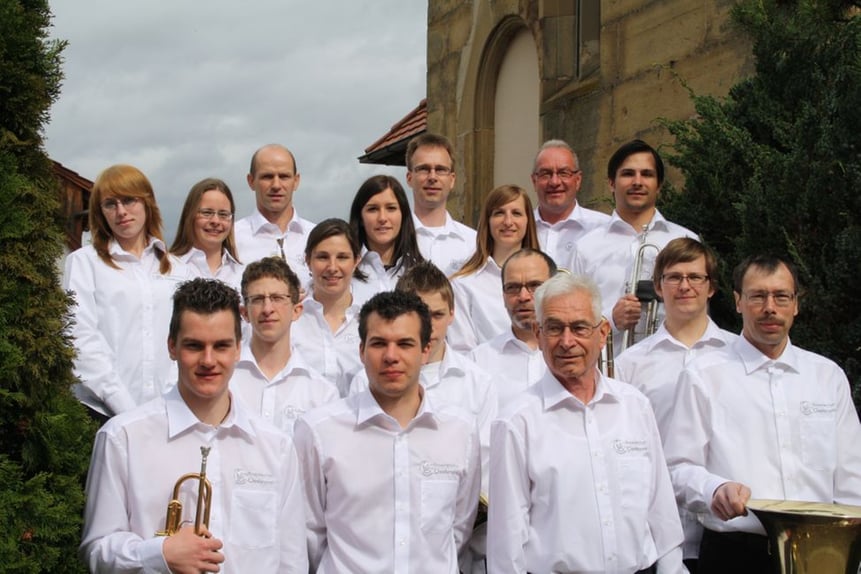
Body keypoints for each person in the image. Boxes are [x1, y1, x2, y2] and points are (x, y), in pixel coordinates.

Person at [80, 278, 308, 573]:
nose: (209, 360)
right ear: (172, 347)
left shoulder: (276, 447)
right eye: (194, 346)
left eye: (222, 346)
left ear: (239, 349)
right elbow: (96, 550)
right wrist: (158, 554)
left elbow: (291, 562)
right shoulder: (122, 437)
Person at [663, 255, 861, 574]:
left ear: (795, 304)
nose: (770, 307)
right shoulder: (704, 375)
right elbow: (676, 468)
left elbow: (853, 475)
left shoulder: (827, 377)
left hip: (822, 552)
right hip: (736, 556)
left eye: (781, 296)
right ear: (739, 302)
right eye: (758, 296)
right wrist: (714, 488)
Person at [487, 272, 685, 573]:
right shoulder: (516, 422)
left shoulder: (634, 406)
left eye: (579, 328)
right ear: (538, 334)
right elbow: (506, 542)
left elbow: (661, 512)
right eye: (554, 328)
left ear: (603, 332)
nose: (567, 342)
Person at [293, 290, 481, 573]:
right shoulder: (319, 431)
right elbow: (309, 532)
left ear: (425, 350)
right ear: (361, 350)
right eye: (379, 343)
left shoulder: (460, 431)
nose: (391, 356)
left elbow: (458, 528)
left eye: (405, 344)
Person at [614, 237, 736, 572]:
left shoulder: (738, 356)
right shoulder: (631, 364)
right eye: (674, 277)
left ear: (711, 288)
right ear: (657, 286)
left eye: (695, 277)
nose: (685, 286)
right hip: (653, 533)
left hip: (723, 530)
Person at [63, 164, 190, 420]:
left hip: (170, 412)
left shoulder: (180, 269)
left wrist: (170, 401)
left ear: (147, 203)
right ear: (101, 213)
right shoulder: (84, 263)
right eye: (110, 204)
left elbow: (187, 337)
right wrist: (125, 409)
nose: (121, 211)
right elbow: (80, 339)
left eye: (129, 200)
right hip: (100, 412)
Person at [571, 139, 698, 356]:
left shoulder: (685, 239)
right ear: (611, 183)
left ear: (659, 185)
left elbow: (700, 313)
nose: (637, 182)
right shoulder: (585, 248)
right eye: (628, 174)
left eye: (647, 174)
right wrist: (611, 319)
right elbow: (570, 316)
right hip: (609, 371)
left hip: (673, 368)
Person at [230, 257, 338, 435]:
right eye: (257, 299)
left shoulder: (322, 393)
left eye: (277, 298)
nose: (267, 309)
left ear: (296, 311)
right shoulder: (224, 379)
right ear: (244, 313)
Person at [448, 184, 541, 352]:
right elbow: (463, 352)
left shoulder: (551, 279)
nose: (508, 221)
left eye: (516, 213)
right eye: (499, 213)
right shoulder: (463, 285)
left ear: (528, 220)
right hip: (489, 376)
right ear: (487, 221)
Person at [469, 248, 555, 407]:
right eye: (513, 288)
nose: (523, 296)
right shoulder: (478, 362)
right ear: (503, 296)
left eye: (534, 286)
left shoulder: (578, 355)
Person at [291, 218, 366, 396]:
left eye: (342, 257)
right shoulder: (290, 318)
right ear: (307, 260)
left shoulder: (369, 320)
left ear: (356, 261)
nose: (332, 267)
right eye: (323, 257)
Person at [233, 144, 314, 284]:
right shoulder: (231, 239)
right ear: (251, 181)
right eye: (267, 176)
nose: (276, 185)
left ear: (296, 181)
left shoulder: (316, 237)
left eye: (284, 176)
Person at [531, 139, 610, 268]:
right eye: (546, 174)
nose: (555, 182)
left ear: (578, 180)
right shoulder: (520, 229)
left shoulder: (604, 228)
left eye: (564, 173)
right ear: (534, 181)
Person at [405, 133, 476, 273]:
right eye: (424, 169)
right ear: (409, 178)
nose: (432, 177)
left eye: (440, 170)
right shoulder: (395, 240)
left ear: (452, 180)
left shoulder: (473, 244)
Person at [348, 174, 424, 303]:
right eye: (373, 209)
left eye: (391, 208)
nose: (382, 218)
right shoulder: (345, 272)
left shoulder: (422, 274)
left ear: (403, 214)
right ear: (360, 217)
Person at [170, 177, 244, 292]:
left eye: (223, 214)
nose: (215, 221)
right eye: (207, 213)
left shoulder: (242, 274)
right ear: (190, 216)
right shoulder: (169, 268)